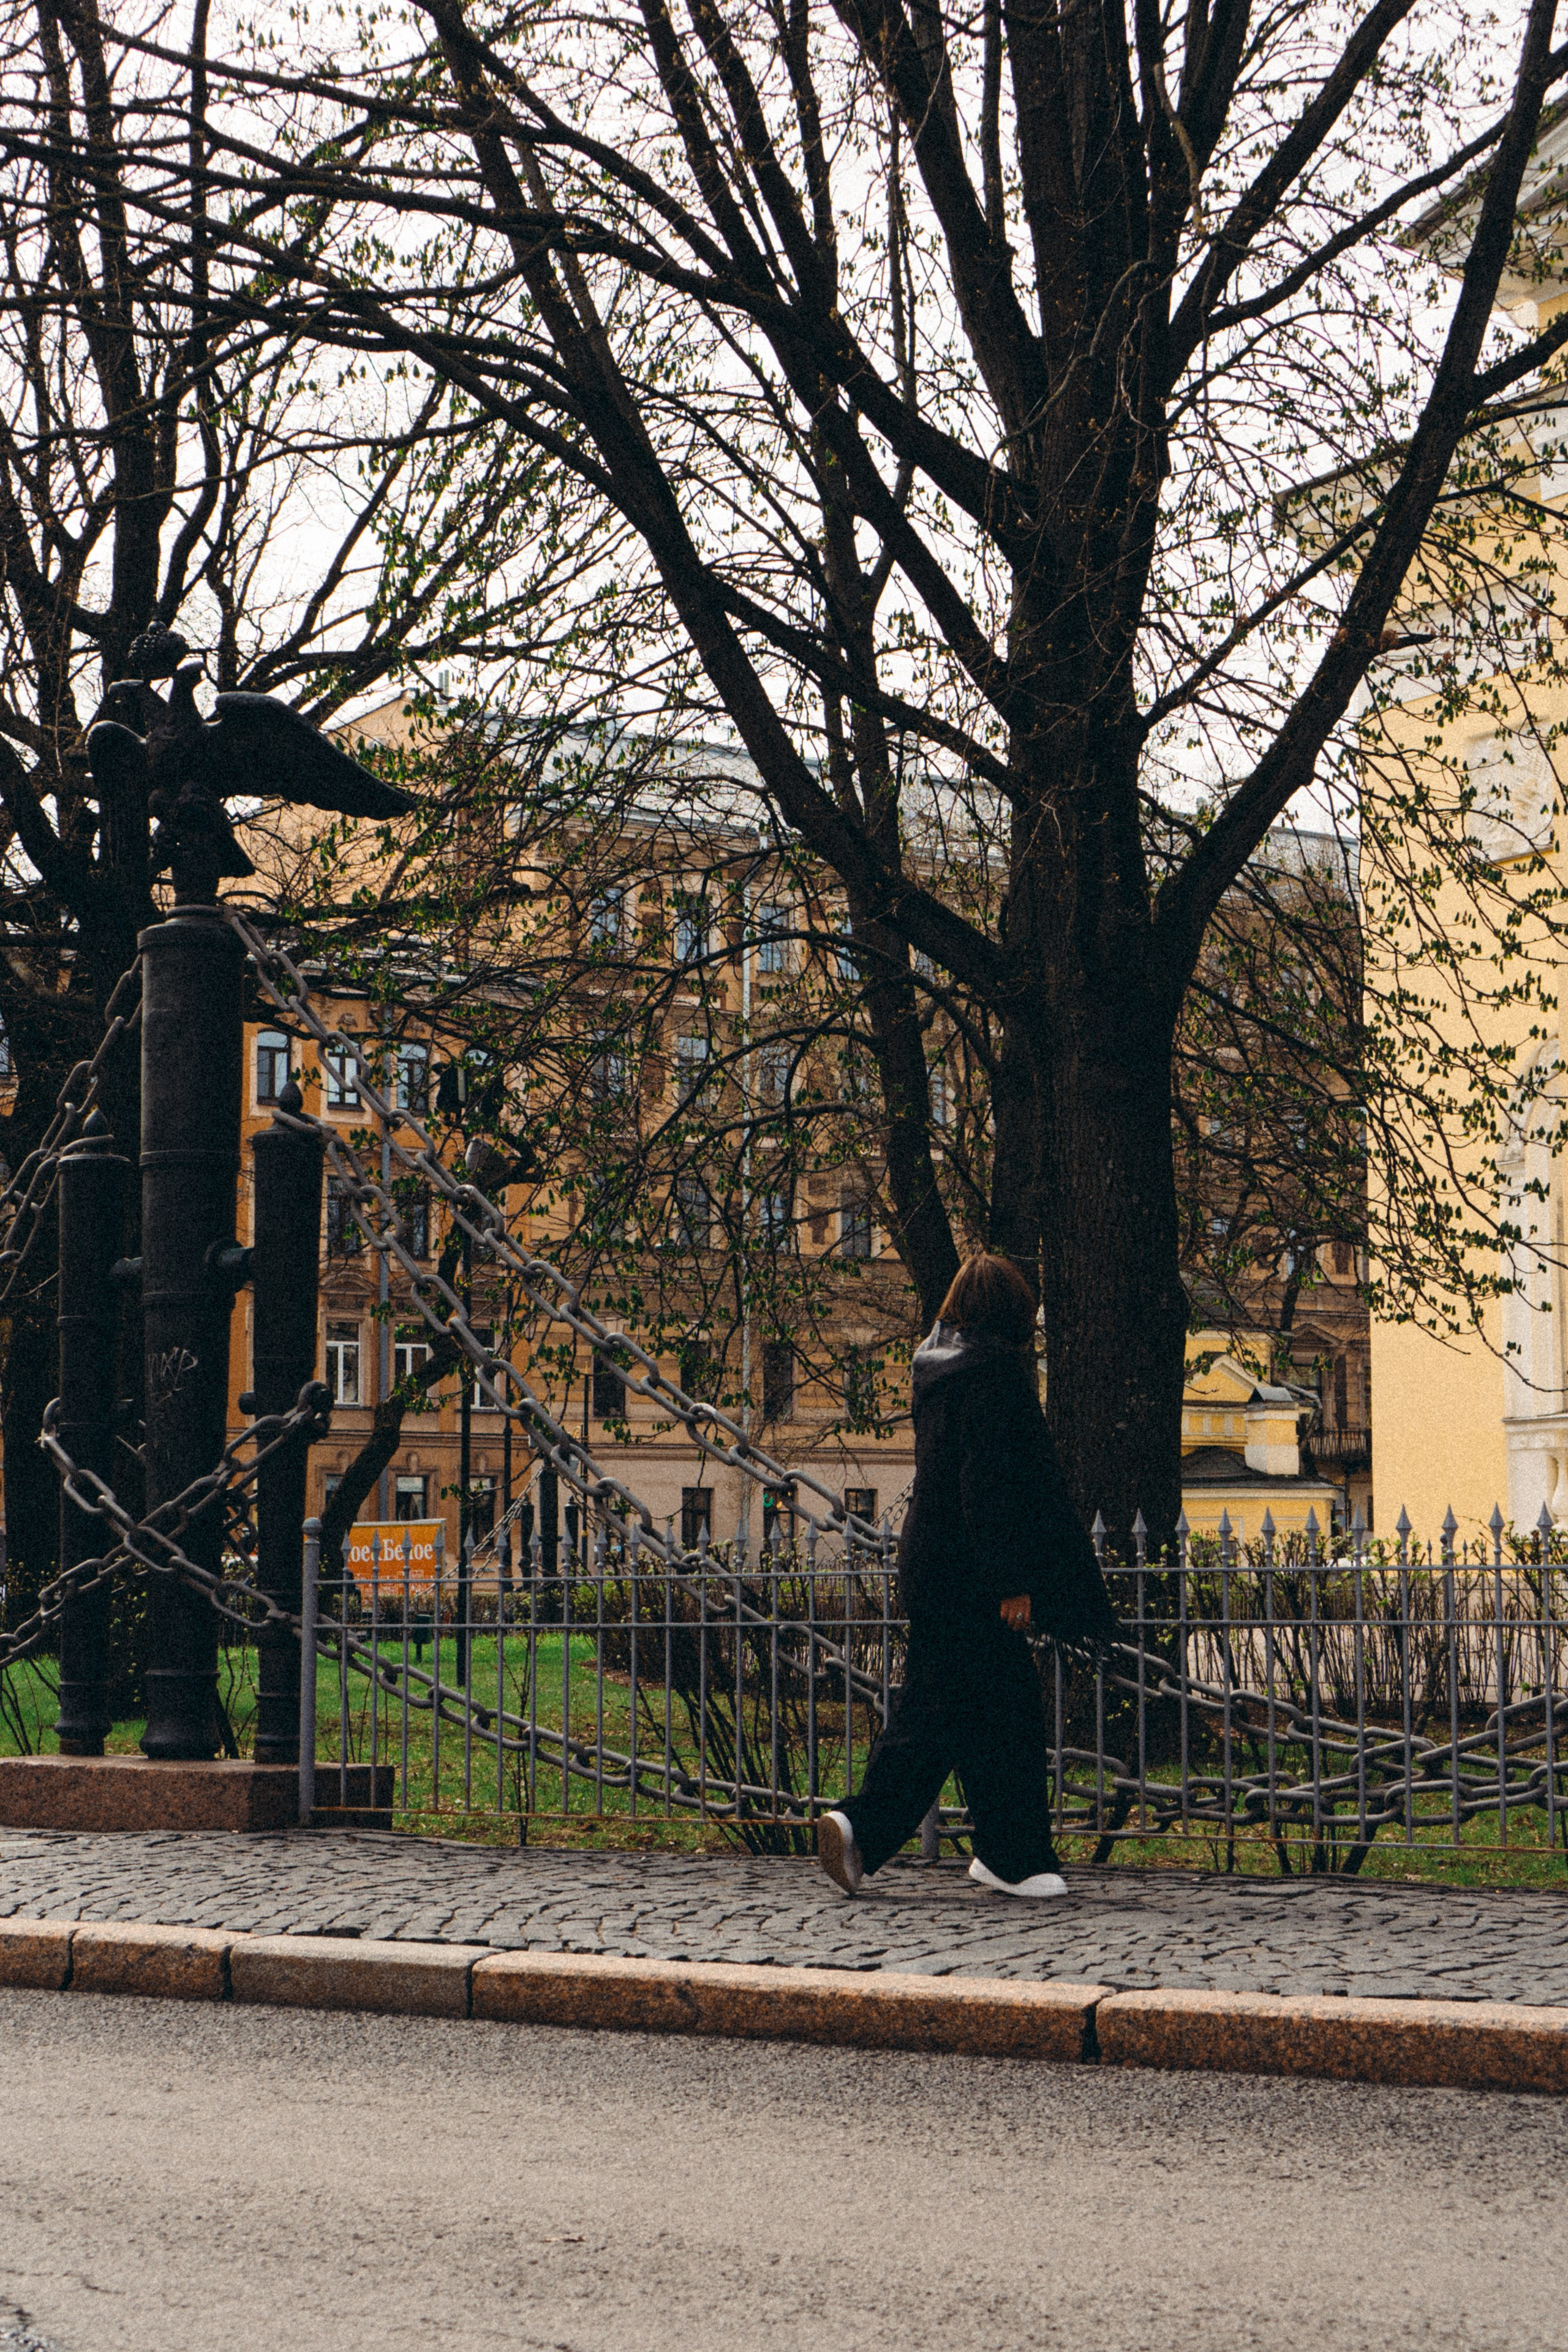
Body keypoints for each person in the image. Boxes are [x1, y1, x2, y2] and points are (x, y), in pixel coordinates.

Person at [817, 1252, 1117, 1900]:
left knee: (997, 1711)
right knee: (944, 1713)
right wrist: (1010, 1580)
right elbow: (993, 1484)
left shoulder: (938, 1372)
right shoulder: (995, 1377)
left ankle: (1009, 1855)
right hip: (973, 1576)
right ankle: (863, 1829)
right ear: (1015, 1312)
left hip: (935, 1562)